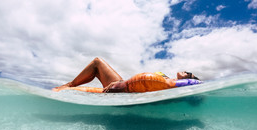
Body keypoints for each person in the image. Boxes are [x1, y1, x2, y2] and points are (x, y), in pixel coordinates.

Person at [52, 57, 200, 93]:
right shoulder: (167, 78)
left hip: (125, 88)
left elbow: (198, 84)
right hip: (126, 86)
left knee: (98, 63)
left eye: (189, 73)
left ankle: (68, 86)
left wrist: (124, 84)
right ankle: (66, 88)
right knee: (97, 65)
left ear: (189, 78)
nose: (185, 71)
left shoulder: (178, 84)